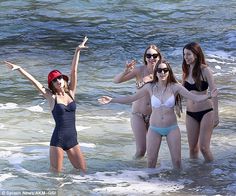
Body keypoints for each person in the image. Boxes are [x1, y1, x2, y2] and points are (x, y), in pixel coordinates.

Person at [98, 60, 218, 169]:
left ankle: (179, 187)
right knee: (151, 163)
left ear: (169, 72)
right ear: (156, 73)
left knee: (177, 162)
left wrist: (209, 96)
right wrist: (112, 100)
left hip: (172, 128)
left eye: (165, 70)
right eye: (159, 70)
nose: (162, 72)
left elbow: (194, 97)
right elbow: (131, 98)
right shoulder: (149, 87)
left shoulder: (175, 87)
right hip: (154, 129)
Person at [4, 37, 88, 173]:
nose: (58, 81)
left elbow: (74, 71)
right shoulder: (51, 97)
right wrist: (19, 68)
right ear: (52, 85)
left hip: (73, 140)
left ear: (63, 80)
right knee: (56, 177)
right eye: (55, 80)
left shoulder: (71, 92)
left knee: (83, 172)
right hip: (58, 141)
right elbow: (35, 82)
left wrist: (77, 51)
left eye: (59, 78)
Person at [113, 45, 162, 159]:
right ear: (145, 58)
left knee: (153, 151)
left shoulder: (163, 72)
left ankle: (153, 174)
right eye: (148, 55)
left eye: (154, 55)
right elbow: (116, 81)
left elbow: (176, 87)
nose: (151, 58)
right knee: (141, 150)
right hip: (138, 115)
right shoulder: (139, 70)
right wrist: (125, 71)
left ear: (159, 57)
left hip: (155, 116)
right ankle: (133, 172)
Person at [182, 42, 219, 162]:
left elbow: (214, 93)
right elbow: (181, 91)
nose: (186, 57)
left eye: (188, 54)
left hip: (206, 112)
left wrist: (216, 115)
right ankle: (195, 176)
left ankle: (213, 173)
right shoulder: (186, 71)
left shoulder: (205, 70)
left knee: (204, 148)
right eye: (184, 54)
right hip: (190, 113)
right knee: (192, 149)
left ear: (196, 55)